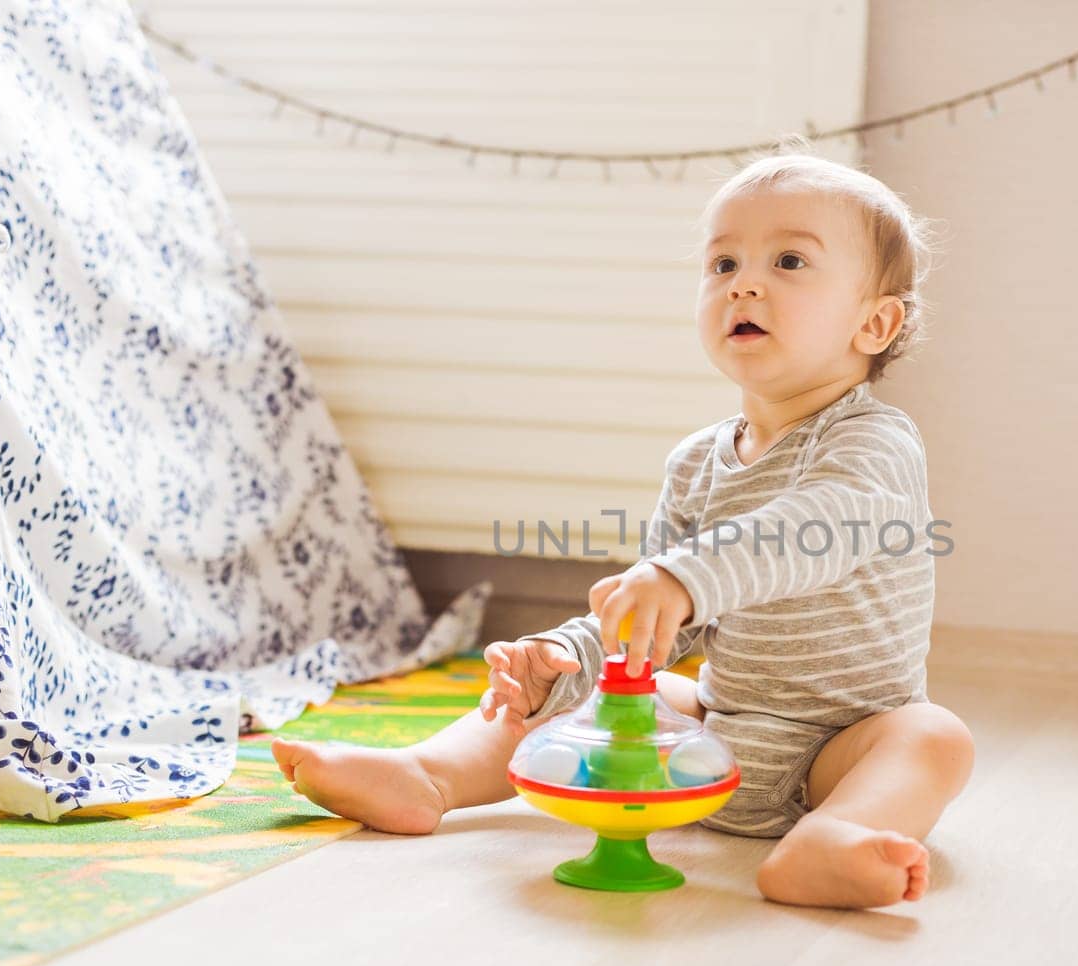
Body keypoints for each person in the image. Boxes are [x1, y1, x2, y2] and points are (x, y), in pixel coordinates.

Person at [273, 145, 975, 909]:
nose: (744, 282)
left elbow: (820, 526)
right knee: (600, 690)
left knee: (932, 736)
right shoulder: (696, 461)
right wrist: (563, 657)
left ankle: (830, 838)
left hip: (841, 745)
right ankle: (429, 775)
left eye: (790, 262)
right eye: (722, 263)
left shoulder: (873, 441)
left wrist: (684, 575)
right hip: (720, 730)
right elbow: (655, 625)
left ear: (873, 323)